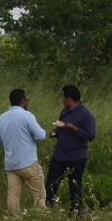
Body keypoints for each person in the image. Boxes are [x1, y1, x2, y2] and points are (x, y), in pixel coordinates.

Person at [0, 88, 47, 213]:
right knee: (39, 195)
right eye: (27, 100)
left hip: (11, 164)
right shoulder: (27, 116)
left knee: (13, 196)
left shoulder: (1, 118)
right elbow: (41, 135)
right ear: (23, 101)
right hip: (28, 163)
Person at [45, 83, 96, 212]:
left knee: (75, 186)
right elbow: (61, 127)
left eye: (63, 96)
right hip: (60, 155)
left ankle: (76, 212)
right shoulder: (65, 111)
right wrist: (55, 132)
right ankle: (47, 208)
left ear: (68, 98)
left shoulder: (86, 114)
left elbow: (90, 135)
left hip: (77, 157)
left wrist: (74, 128)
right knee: (51, 184)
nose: (62, 99)